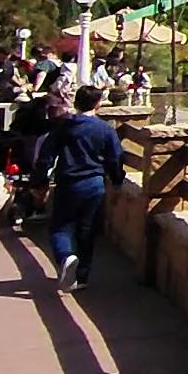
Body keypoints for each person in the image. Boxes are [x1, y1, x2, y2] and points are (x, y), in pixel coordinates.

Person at [42, 85, 123, 291]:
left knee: (60, 226)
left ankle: (66, 257)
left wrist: (39, 180)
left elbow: (46, 155)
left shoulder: (64, 126)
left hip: (68, 182)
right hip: (95, 184)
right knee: (87, 230)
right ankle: (82, 276)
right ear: (97, 104)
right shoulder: (105, 129)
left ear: (76, 102)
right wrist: (117, 181)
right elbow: (115, 158)